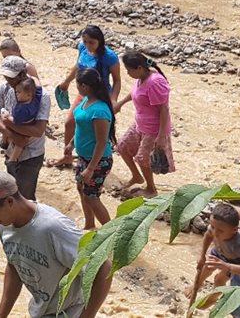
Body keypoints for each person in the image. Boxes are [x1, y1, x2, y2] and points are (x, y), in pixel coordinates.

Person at [0, 170, 112, 318]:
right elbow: (14, 266)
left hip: (70, 311)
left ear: (9, 201)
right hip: (41, 311)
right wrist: (1, 315)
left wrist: (87, 315)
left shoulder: (53, 227)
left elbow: (103, 266)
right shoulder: (4, 224)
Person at [50, 26, 121, 169]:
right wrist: (67, 81)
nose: (88, 45)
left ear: (100, 41)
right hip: (83, 93)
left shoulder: (109, 56)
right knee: (70, 122)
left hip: (100, 96)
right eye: (85, 41)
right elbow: (78, 66)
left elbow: (117, 80)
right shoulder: (82, 47)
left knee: (96, 132)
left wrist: (113, 100)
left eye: (92, 42)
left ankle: (97, 163)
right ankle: (68, 157)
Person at [0, 56, 50, 201]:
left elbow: (38, 130)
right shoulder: (4, 87)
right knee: (10, 193)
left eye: (11, 77)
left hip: (31, 154)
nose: (8, 80)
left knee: (25, 198)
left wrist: (10, 125)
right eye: (5, 76)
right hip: (11, 149)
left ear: (22, 74)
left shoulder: (42, 96)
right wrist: (11, 135)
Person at [114, 50, 174, 197]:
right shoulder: (142, 77)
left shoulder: (154, 82)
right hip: (140, 123)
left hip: (153, 129)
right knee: (122, 147)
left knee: (142, 159)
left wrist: (161, 136)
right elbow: (136, 92)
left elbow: (164, 109)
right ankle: (137, 176)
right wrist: (121, 103)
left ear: (139, 68)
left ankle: (151, 189)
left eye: (129, 70)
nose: (128, 74)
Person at [72, 68, 115, 229]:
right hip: (83, 157)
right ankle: (89, 224)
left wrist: (90, 169)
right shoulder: (86, 100)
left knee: (92, 197)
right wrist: (71, 143)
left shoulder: (99, 110)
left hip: (97, 161)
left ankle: (111, 234)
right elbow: (81, 127)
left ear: (84, 86)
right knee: (81, 189)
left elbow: (102, 142)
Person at [0, 78, 43, 163]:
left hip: (21, 128)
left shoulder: (21, 109)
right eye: (16, 92)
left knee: (18, 143)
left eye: (19, 92)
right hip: (30, 123)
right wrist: (34, 78)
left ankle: (13, 158)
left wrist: (7, 116)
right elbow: (39, 88)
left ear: (28, 95)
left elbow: (15, 122)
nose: (16, 94)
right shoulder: (36, 99)